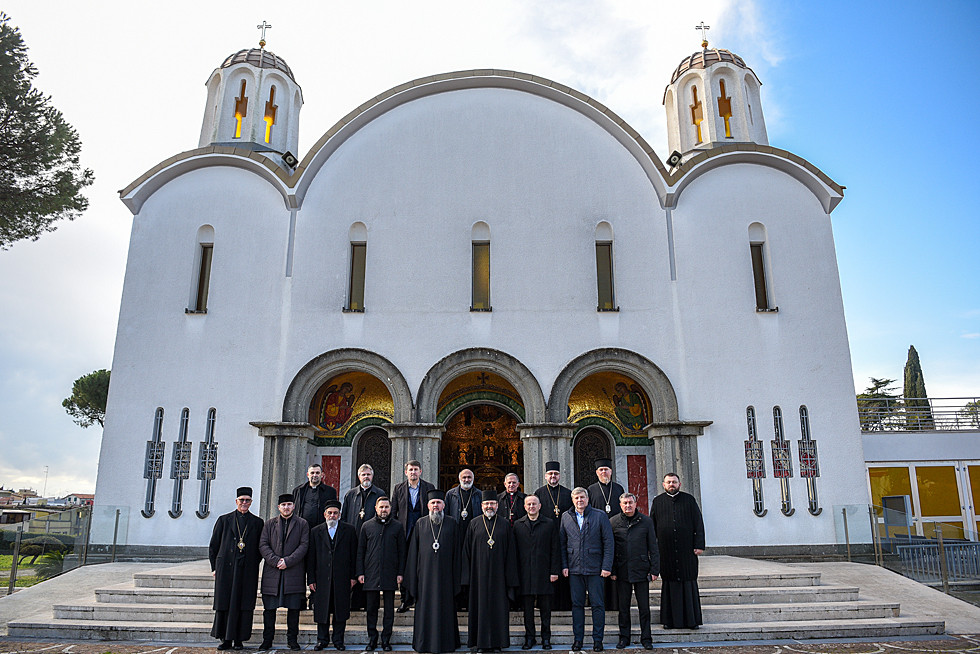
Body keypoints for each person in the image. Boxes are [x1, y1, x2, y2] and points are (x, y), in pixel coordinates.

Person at [461, 490, 520, 653]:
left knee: (498, 610)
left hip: (499, 577)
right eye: (486, 504)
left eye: (492, 503)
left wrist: (510, 578)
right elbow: (466, 552)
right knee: (479, 610)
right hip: (478, 577)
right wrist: (466, 578)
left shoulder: (505, 524)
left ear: (497, 505)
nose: (489, 506)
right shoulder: (473, 524)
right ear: (481, 506)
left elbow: (511, 552)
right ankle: (480, 644)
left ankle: (497, 643)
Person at [405, 490, 462, 654]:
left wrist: (457, 579)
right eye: (433, 503)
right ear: (428, 505)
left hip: (446, 578)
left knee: (446, 610)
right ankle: (424, 643)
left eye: (438, 502)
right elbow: (413, 553)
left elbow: (457, 553)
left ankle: (447, 643)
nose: (436, 506)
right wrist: (413, 580)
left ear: (444, 505)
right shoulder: (420, 524)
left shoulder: (452, 523)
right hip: (425, 579)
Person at [209, 486, 264, 651]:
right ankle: (225, 639)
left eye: (247, 500)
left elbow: (260, 548)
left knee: (243, 604)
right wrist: (214, 567)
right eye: (242, 500)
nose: (244, 503)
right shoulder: (224, 520)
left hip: (247, 571)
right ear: (236, 501)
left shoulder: (257, 522)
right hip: (226, 569)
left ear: (251, 502)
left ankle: (239, 639)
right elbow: (214, 545)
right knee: (225, 603)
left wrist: (252, 563)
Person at [560, 487, 613, 652]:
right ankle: (578, 640)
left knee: (598, 605)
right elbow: (562, 543)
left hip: (595, 568)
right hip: (574, 569)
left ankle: (598, 640)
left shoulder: (600, 515)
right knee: (577, 605)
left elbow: (609, 542)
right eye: (576, 498)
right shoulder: (566, 516)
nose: (579, 501)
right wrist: (564, 565)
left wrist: (606, 566)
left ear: (587, 499)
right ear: (572, 500)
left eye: (582, 497)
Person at [649, 473, 705, 630]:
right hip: (666, 550)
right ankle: (669, 620)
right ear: (663, 484)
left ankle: (692, 621)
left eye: (674, 482)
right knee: (670, 583)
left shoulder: (689, 500)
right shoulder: (657, 502)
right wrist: (652, 549)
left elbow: (698, 523)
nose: (671, 484)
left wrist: (699, 544)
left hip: (687, 550)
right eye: (668, 482)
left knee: (688, 582)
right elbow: (652, 527)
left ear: (679, 484)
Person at [258, 493, 310, 651]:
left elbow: (304, 545)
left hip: (293, 571)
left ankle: (292, 640)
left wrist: (288, 561)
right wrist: (275, 561)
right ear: (278, 507)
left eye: (289, 504)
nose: (286, 507)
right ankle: (267, 640)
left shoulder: (302, 524)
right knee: (269, 610)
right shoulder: (269, 524)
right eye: (283, 505)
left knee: (293, 609)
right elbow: (263, 544)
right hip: (273, 572)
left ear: (294, 506)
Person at [610, 493, 659, 649]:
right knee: (623, 608)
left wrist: (655, 569)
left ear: (635, 504)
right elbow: (611, 548)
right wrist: (612, 570)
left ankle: (646, 638)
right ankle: (624, 638)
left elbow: (653, 547)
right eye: (625, 503)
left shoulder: (646, 521)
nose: (628, 505)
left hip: (641, 570)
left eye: (630, 502)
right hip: (622, 571)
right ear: (620, 505)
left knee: (644, 608)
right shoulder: (613, 522)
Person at [307, 499, 357, 651]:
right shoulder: (315, 531)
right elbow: (311, 557)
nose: (332, 516)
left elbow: (354, 555)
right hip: (321, 579)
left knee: (340, 610)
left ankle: (338, 640)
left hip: (342, 578)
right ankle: (322, 640)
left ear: (340, 515)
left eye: (335, 513)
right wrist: (311, 579)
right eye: (330, 513)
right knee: (322, 610)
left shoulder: (349, 530)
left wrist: (353, 577)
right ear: (325, 514)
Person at [357, 496, 406, 651]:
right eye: (381, 507)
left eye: (386, 507)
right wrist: (360, 572)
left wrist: (400, 573)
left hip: (390, 573)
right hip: (371, 572)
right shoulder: (366, 526)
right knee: (371, 609)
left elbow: (402, 552)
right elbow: (360, 551)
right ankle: (372, 639)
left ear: (390, 508)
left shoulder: (397, 526)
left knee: (389, 610)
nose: (384, 510)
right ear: (376, 508)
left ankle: (386, 640)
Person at [513, 493, 561, 650]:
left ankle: (546, 638)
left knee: (545, 610)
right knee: (527, 610)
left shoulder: (549, 524)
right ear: (524, 507)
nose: (531, 506)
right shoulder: (518, 525)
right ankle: (530, 638)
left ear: (539, 506)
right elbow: (514, 552)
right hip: (525, 574)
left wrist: (554, 571)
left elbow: (555, 549)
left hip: (544, 573)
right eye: (529, 504)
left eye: (534, 504)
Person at [391, 460, 434, 612]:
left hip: (424, 532)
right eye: (411, 470)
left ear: (420, 471)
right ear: (406, 472)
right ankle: (405, 600)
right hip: (404, 533)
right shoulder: (398, 489)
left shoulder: (429, 487)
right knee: (404, 566)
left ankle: (422, 599)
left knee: (423, 565)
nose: (413, 472)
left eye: (416, 469)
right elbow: (394, 511)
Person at [342, 463, 386, 611]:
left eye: (368, 474)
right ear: (358, 476)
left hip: (372, 539)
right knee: (354, 569)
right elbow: (344, 517)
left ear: (372, 476)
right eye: (363, 474)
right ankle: (354, 603)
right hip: (354, 537)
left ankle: (368, 604)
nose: (366, 477)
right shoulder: (350, 494)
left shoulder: (379, 493)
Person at [534, 461, 573, 611]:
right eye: (550, 474)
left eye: (555, 474)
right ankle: (545, 605)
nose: (553, 476)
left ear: (560, 476)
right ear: (545, 476)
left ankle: (564, 604)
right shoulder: (539, 493)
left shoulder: (568, 494)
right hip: (545, 538)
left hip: (564, 537)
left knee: (564, 571)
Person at [293, 463, 339, 528]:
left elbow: (334, 510)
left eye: (317, 473)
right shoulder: (298, 491)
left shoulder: (330, 491)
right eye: (312, 473)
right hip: (302, 528)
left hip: (321, 528)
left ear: (322, 475)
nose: (315, 475)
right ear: (308, 475)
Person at [445, 468, 481, 532]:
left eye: (469, 477)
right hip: (456, 529)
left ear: (473, 479)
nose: (467, 480)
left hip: (474, 529)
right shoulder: (450, 494)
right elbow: (446, 513)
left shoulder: (479, 494)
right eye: (464, 477)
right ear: (459, 479)